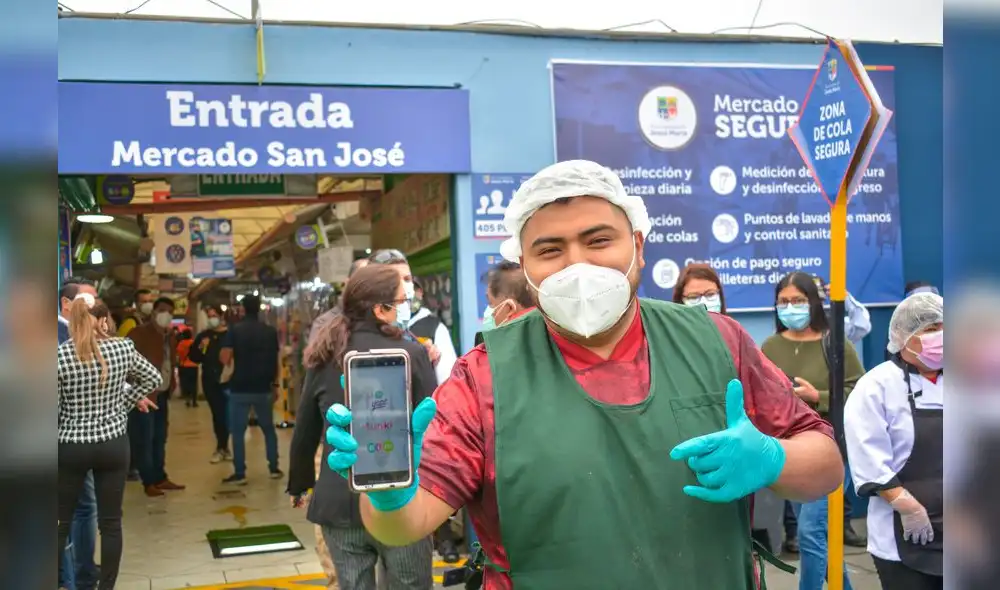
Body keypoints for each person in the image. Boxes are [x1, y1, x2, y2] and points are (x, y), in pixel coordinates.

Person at [325, 160, 843, 589]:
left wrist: (774, 458)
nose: (577, 265)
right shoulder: (484, 376)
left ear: (638, 247)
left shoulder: (716, 341)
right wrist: (390, 494)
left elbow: (826, 466)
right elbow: (404, 525)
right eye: (550, 250)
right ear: (524, 266)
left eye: (598, 240)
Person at [288, 264, 437, 590]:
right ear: (380, 308)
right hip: (401, 500)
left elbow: (305, 429)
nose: (406, 304)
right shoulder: (412, 352)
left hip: (339, 503)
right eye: (401, 299)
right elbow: (433, 428)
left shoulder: (325, 353)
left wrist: (299, 485)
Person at [761, 271, 864, 589]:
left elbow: (860, 393)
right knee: (823, 536)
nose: (790, 307)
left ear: (814, 303)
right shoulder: (770, 346)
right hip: (791, 451)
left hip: (833, 449)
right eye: (784, 301)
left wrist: (816, 396)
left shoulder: (835, 343)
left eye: (798, 301)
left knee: (811, 531)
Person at [58, 295, 162, 590]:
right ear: (103, 321)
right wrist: (122, 401)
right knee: (111, 523)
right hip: (114, 445)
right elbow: (153, 378)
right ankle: (106, 587)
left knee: (60, 522)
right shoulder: (122, 348)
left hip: (71, 446)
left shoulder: (61, 356)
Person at [844, 292, 943, 590]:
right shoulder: (876, 386)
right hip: (902, 532)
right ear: (904, 336)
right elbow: (867, 455)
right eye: (930, 329)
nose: (942, 335)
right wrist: (908, 507)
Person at [58, 279, 100, 590]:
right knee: (79, 507)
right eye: (87, 300)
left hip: (72, 436)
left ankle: (80, 573)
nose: (93, 307)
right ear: (66, 304)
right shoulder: (61, 336)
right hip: (66, 437)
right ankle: (78, 576)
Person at [368, 249, 457, 384]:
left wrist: (422, 362)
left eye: (407, 279)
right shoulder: (353, 334)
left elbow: (450, 390)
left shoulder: (432, 331)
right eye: (396, 280)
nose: (405, 287)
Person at [219, 293, 282, 484]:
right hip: (264, 387)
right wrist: (276, 385)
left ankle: (240, 473)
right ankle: (273, 468)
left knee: (238, 432)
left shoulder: (235, 330)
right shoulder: (270, 332)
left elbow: (225, 357)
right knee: (268, 429)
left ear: (243, 309)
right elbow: (276, 361)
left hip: (240, 387)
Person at [128, 296, 186, 497]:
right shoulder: (138, 333)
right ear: (153, 312)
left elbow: (170, 362)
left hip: (161, 394)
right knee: (144, 438)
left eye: (170, 312)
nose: (166, 315)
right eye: (162, 310)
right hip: (144, 395)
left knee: (160, 437)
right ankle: (148, 481)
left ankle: (160, 477)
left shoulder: (169, 336)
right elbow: (127, 365)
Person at [189, 304, 231, 463]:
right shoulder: (203, 336)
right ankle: (222, 447)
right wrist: (201, 348)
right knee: (218, 414)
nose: (212, 319)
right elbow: (194, 357)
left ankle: (225, 446)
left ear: (221, 316)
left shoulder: (230, 335)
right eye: (209, 316)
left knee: (228, 414)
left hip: (228, 380)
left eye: (214, 315)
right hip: (210, 380)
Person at [475, 260, 535, 346]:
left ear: (509, 308)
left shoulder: (483, 357)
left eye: (490, 302)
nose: (488, 312)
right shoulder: (557, 342)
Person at [814, 275, 872, 349]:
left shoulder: (833, 326)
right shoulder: (796, 324)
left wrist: (844, 296)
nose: (812, 304)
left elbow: (861, 327)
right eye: (801, 300)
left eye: (818, 300)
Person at [176, 327, 199, 407]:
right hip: (193, 365)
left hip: (184, 365)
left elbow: (179, 354)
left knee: (186, 384)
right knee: (193, 384)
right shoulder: (194, 343)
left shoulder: (181, 344)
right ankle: (194, 401)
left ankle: (187, 400)